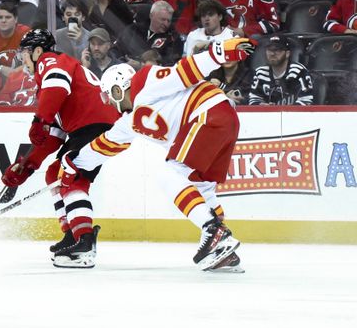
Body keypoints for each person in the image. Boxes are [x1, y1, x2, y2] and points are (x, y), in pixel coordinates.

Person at [62, 37, 258, 272]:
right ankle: (223, 250)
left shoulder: (145, 81)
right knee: (202, 188)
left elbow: (185, 71)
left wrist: (220, 52)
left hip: (208, 114)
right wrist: (74, 162)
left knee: (169, 174)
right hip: (220, 121)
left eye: (108, 95)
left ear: (117, 88)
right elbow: (105, 145)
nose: (109, 104)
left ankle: (213, 232)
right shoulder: (129, 121)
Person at [0, 29, 120, 267]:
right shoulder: (50, 80)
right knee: (55, 173)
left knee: (71, 176)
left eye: (24, 53)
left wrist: (39, 120)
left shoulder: (50, 62)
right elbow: (52, 137)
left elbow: (56, 90)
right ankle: (72, 233)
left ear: (36, 51)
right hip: (89, 126)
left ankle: (84, 241)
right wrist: (26, 168)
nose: (22, 59)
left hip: (94, 124)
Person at [248, 34, 315, 105]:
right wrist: (263, 106)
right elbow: (253, 100)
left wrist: (285, 111)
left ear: (287, 54)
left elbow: (306, 102)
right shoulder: (260, 73)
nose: (272, 54)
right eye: (269, 50)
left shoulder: (298, 72)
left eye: (277, 50)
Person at [116, 0, 182, 65]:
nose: (166, 24)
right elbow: (116, 49)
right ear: (151, 16)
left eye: (168, 21)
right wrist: (121, 62)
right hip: (123, 68)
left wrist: (140, 65)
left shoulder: (173, 39)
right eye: (163, 19)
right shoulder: (133, 29)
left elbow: (170, 63)